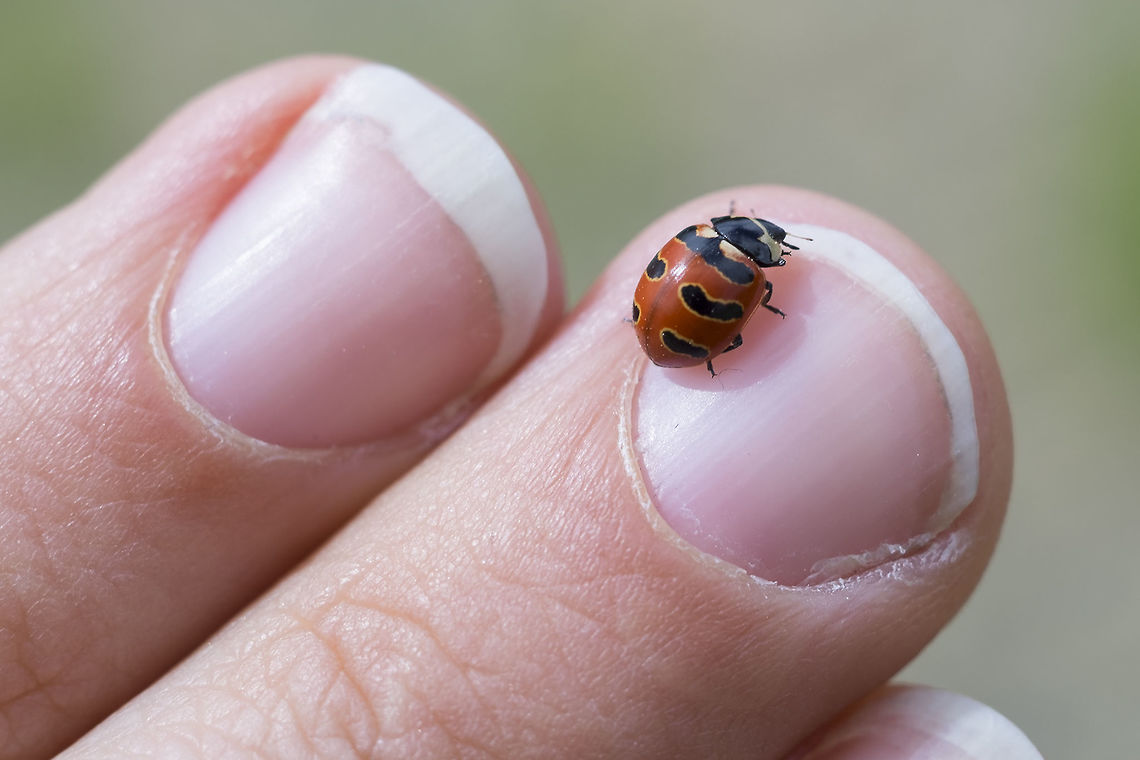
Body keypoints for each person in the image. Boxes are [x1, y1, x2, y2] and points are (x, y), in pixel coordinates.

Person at [0, 56, 1038, 759]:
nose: (769, 263)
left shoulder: (729, 261)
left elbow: (710, 289)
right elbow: (733, 294)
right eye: (764, 258)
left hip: (667, 330)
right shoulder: (747, 271)